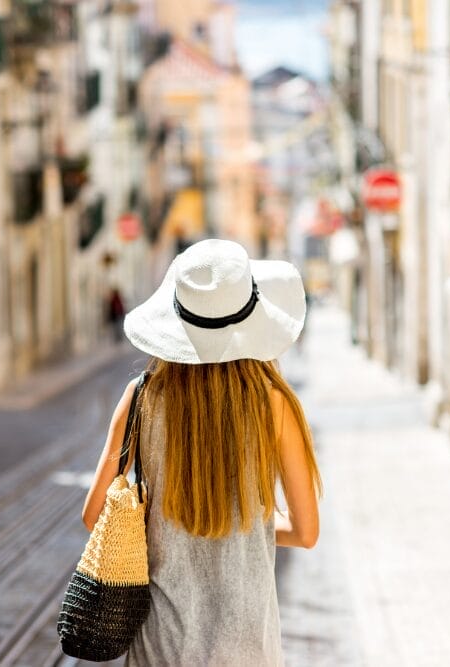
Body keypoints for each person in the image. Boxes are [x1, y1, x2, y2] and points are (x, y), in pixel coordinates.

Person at [82, 239, 323, 666]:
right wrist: (247, 530)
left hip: (160, 646)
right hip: (248, 648)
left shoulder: (140, 398)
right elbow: (305, 532)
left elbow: (93, 516)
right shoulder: (275, 405)